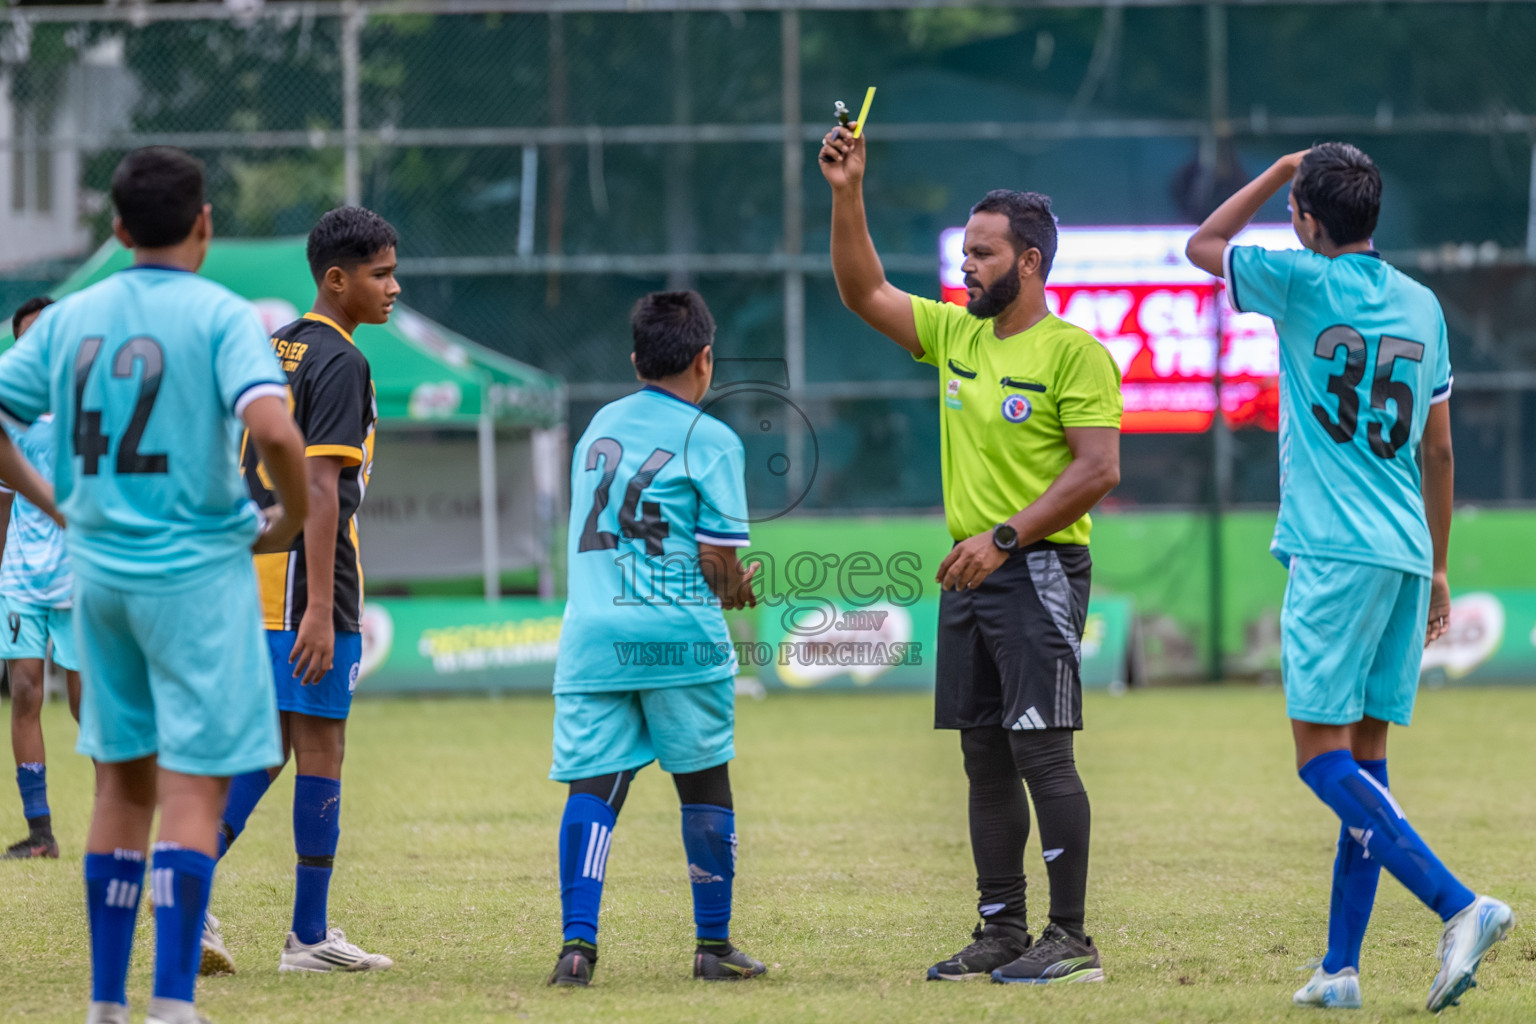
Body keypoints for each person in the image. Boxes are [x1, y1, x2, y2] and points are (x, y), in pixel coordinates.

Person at [1186, 143, 1514, 1013]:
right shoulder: (1422, 303)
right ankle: (1338, 969)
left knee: (1317, 760)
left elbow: (1203, 244)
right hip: (1407, 551)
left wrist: (1272, 170)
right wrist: (1441, 565)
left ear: (1304, 219)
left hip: (1335, 554)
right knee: (1365, 762)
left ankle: (1459, 904)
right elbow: (1438, 450)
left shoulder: (1298, 282)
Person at [0, 145, 308, 1024]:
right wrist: (282, 520)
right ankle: (171, 1004)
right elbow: (275, 434)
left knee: (118, 785)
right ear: (205, 225)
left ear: (119, 227)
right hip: (199, 581)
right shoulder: (223, 315)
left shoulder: (69, 318)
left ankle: (105, 1003)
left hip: (100, 581)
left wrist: (56, 503)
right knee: (190, 786)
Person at [819, 122, 1122, 985]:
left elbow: (1099, 470)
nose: (968, 267)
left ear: (1029, 261)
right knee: (983, 753)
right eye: (967, 253)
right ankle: (1002, 930)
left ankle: (1071, 938)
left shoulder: (1075, 354)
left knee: (1042, 751)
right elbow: (861, 289)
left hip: (1037, 569)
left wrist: (1003, 538)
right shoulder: (957, 335)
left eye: (984, 253)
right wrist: (848, 193)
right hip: (971, 571)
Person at [547, 290, 763, 987]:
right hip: (676, 635)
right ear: (705, 360)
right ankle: (713, 945)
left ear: (636, 358)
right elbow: (719, 568)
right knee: (702, 781)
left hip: (593, 632)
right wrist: (738, 586)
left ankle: (577, 947)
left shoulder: (597, 427)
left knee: (594, 787)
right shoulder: (713, 439)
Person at [206, 206, 398, 975]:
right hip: (309, 581)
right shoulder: (343, 361)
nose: (392, 288)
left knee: (274, 746)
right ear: (337, 279)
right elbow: (320, 489)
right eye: (380, 274)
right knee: (321, 746)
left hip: (257, 575)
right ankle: (307, 937)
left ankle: (189, 884)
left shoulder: (278, 344)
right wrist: (321, 608)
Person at [1, 297, 83, 860]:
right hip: (22, 578)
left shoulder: (91, 408)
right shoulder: (11, 416)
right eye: (28, 338)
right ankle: (41, 832)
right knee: (25, 691)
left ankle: (118, 819)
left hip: (83, 577)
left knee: (89, 706)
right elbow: (5, 503)